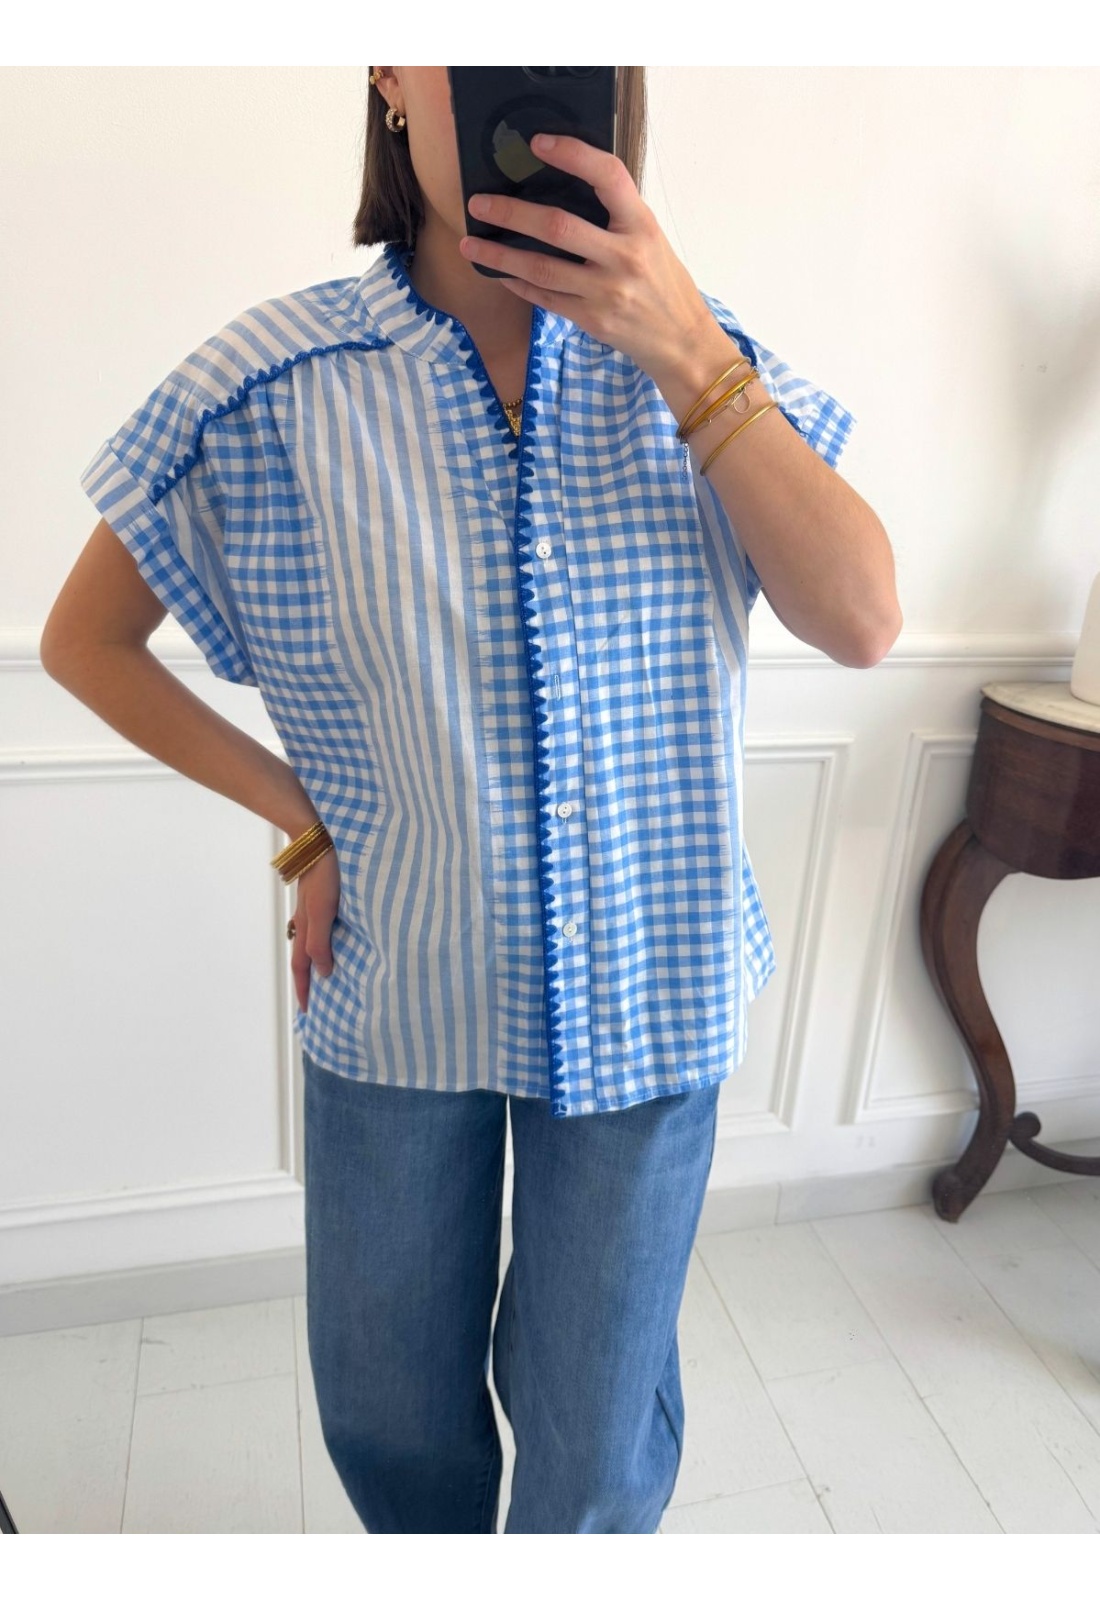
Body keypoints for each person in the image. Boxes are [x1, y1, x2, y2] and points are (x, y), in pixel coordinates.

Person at [42, 66, 901, 1533]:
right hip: (401, 980)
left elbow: (865, 620)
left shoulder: (708, 365)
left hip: (651, 983)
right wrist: (300, 821)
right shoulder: (268, 384)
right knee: (389, 1405)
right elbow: (85, 644)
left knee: (594, 1431)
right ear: (390, 73)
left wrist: (687, 351)